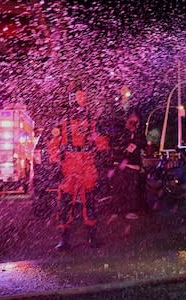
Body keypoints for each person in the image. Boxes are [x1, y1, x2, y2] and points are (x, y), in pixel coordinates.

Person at [48, 85, 109, 250]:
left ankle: (91, 237)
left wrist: (101, 147)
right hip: (70, 166)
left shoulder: (92, 122)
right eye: (78, 98)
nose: (81, 102)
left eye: (84, 98)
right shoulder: (62, 122)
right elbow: (53, 144)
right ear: (72, 100)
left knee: (90, 203)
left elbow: (102, 143)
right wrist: (56, 162)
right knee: (65, 204)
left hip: (87, 166)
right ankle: (64, 239)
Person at [109, 113, 147, 220]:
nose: (133, 123)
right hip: (121, 164)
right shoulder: (121, 132)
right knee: (119, 188)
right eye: (131, 121)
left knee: (132, 188)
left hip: (133, 165)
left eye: (135, 121)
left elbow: (142, 143)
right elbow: (117, 145)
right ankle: (116, 210)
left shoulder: (139, 133)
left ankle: (130, 210)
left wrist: (134, 136)